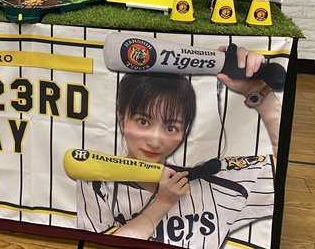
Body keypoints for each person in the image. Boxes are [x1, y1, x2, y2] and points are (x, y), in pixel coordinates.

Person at [76, 47, 280, 248]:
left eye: (171, 127)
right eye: (143, 121)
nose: (155, 141)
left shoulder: (214, 180)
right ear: (120, 116)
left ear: (185, 131)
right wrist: (162, 203)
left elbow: (282, 166)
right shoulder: (96, 183)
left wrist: (256, 91)